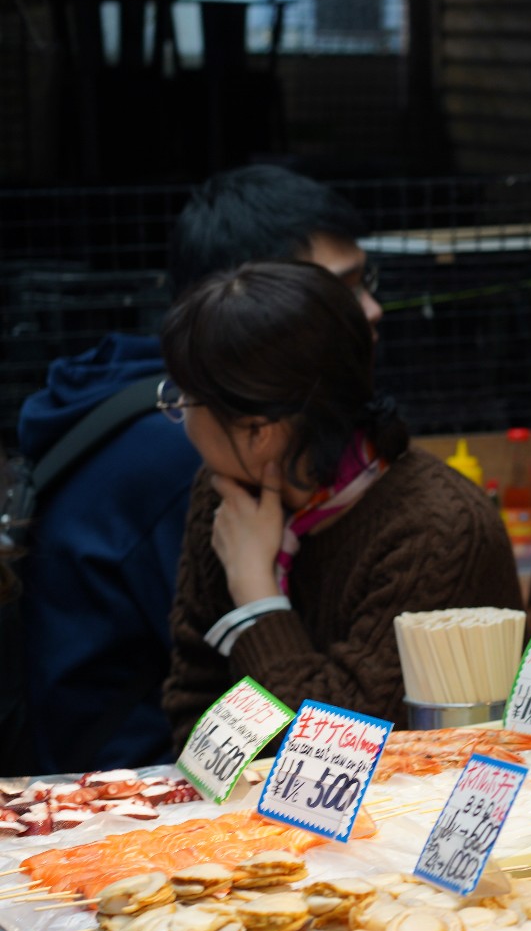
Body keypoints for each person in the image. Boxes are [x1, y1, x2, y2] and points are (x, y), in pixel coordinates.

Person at [13, 165, 383, 773]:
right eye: (338, 290)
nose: (370, 310)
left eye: (365, 281)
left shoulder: (140, 392)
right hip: (129, 787)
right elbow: (276, 709)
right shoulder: (191, 446)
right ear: (253, 294)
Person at [159, 261, 517, 741]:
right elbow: (193, 706)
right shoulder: (224, 494)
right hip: (239, 814)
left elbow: (341, 751)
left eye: (185, 398)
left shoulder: (440, 530)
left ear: (258, 432)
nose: (178, 412)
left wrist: (257, 597)